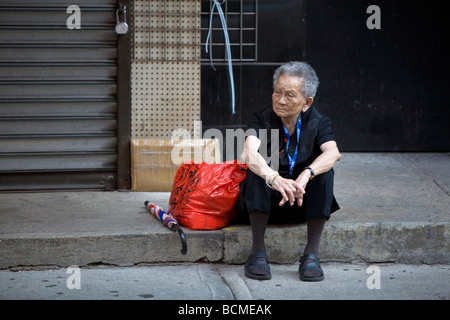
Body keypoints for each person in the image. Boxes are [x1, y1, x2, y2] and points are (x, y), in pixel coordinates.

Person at [236, 61, 341, 281]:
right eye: (277, 92)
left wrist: (306, 175)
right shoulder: (261, 119)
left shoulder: (319, 122)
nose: (281, 100)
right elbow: (248, 153)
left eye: (290, 95)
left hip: (302, 202)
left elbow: (333, 153)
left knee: (324, 171)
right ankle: (257, 253)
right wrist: (273, 178)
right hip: (265, 203)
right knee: (256, 170)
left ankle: (311, 254)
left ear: (306, 102)